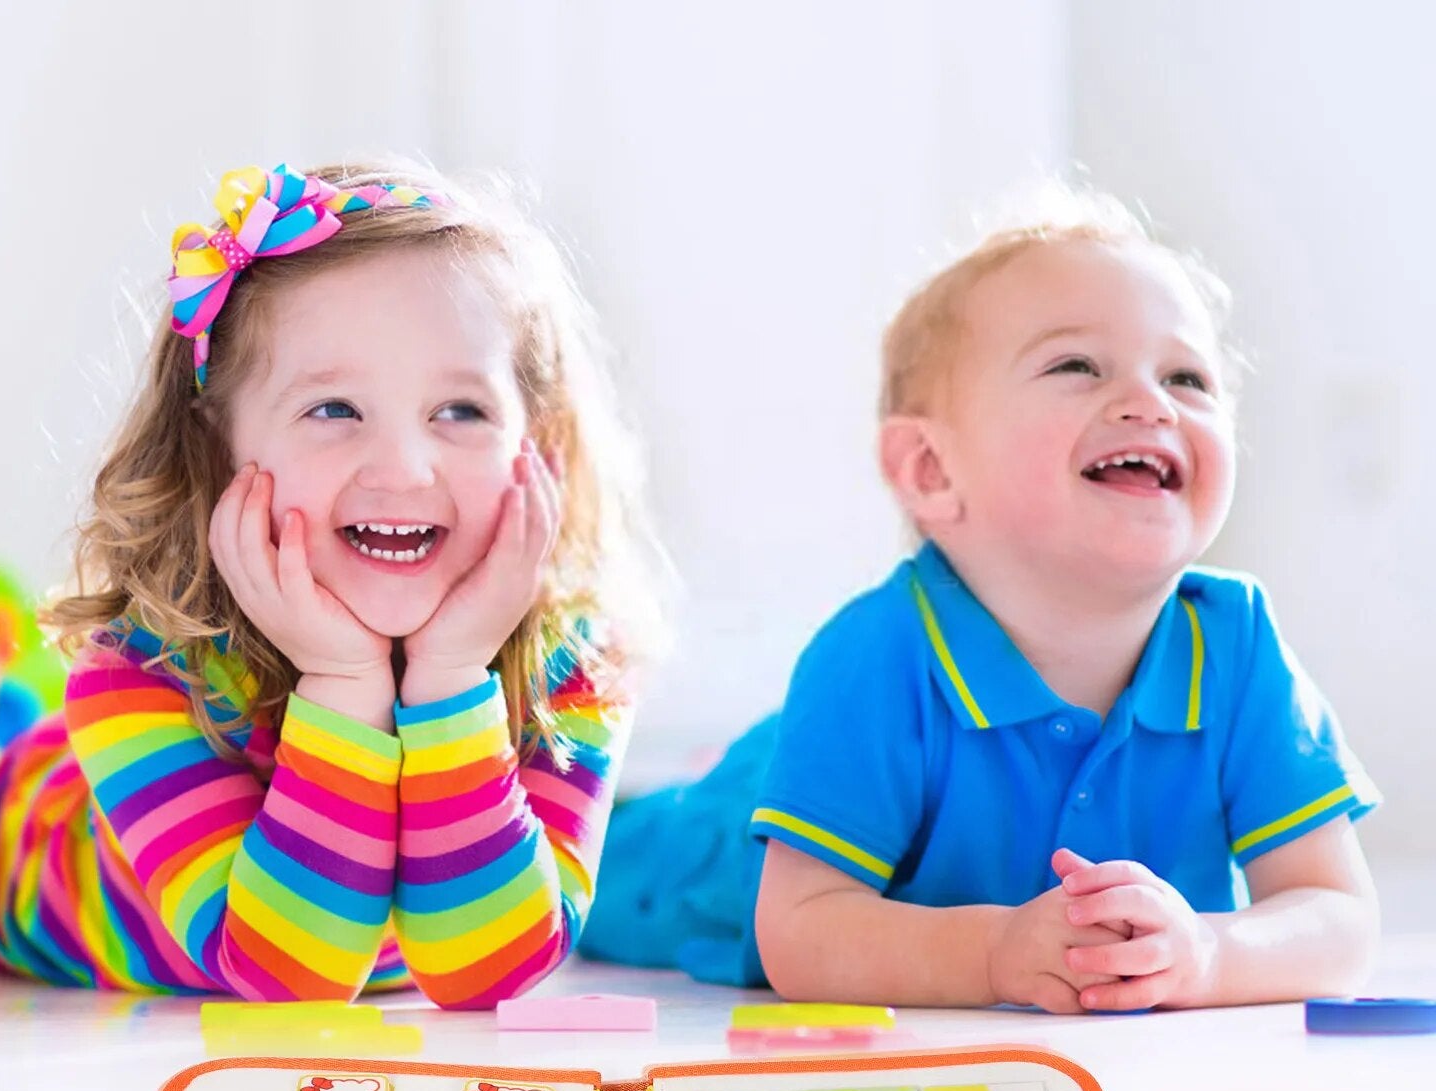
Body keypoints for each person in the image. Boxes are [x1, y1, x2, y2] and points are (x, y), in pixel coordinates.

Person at [0, 159, 653, 1006]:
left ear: (542, 446)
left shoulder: (576, 664)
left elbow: (489, 972)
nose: (404, 467)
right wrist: (344, 683)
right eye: (334, 410)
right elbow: (290, 978)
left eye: (461, 411)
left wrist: (452, 678)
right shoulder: (138, 676)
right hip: (12, 857)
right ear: (216, 447)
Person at [587, 188, 1379, 1012]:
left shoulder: (1238, 647)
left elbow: (1340, 918)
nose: (1152, 401)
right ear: (932, 471)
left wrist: (1211, 955)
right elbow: (802, 931)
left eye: (1187, 377)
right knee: (597, 867)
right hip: (715, 842)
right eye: (1077, 365)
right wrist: (995, 954)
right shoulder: (877, 655)